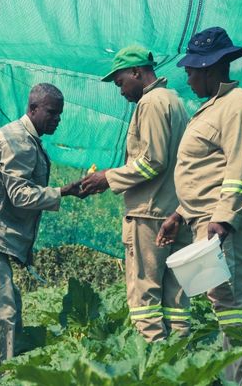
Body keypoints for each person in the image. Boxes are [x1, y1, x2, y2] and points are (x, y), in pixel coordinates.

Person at [0, 83, 83, 382]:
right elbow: (20, 195)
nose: (57, 119)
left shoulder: (25, 139)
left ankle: (8, 373)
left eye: (60, 114)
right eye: (51, 112)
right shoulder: (18, 142)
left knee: (7, 307)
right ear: (33, 108)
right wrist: (64, 191)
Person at [156, 27, 242, 383]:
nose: (186, 76)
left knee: (233, 303)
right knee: (223, 303)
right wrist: (180, 214)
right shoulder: (213, 108)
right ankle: (236, 374)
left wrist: (224, 219)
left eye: (191, 70)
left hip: (222, 221)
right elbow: (206, 174)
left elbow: (241, 169)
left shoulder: (239, 107)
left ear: (211, 67)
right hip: (207, 218)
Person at [81, 45, 192, 342]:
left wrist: (108, 178)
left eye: (120, 82)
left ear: (136, 72)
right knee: (177, 297)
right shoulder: (174, 101)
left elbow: (153, 161)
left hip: (150, 213)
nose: (120, 91)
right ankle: (181, 362)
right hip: (176, 212)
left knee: (145, 296)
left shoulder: (152, 103)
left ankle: (152, 363)